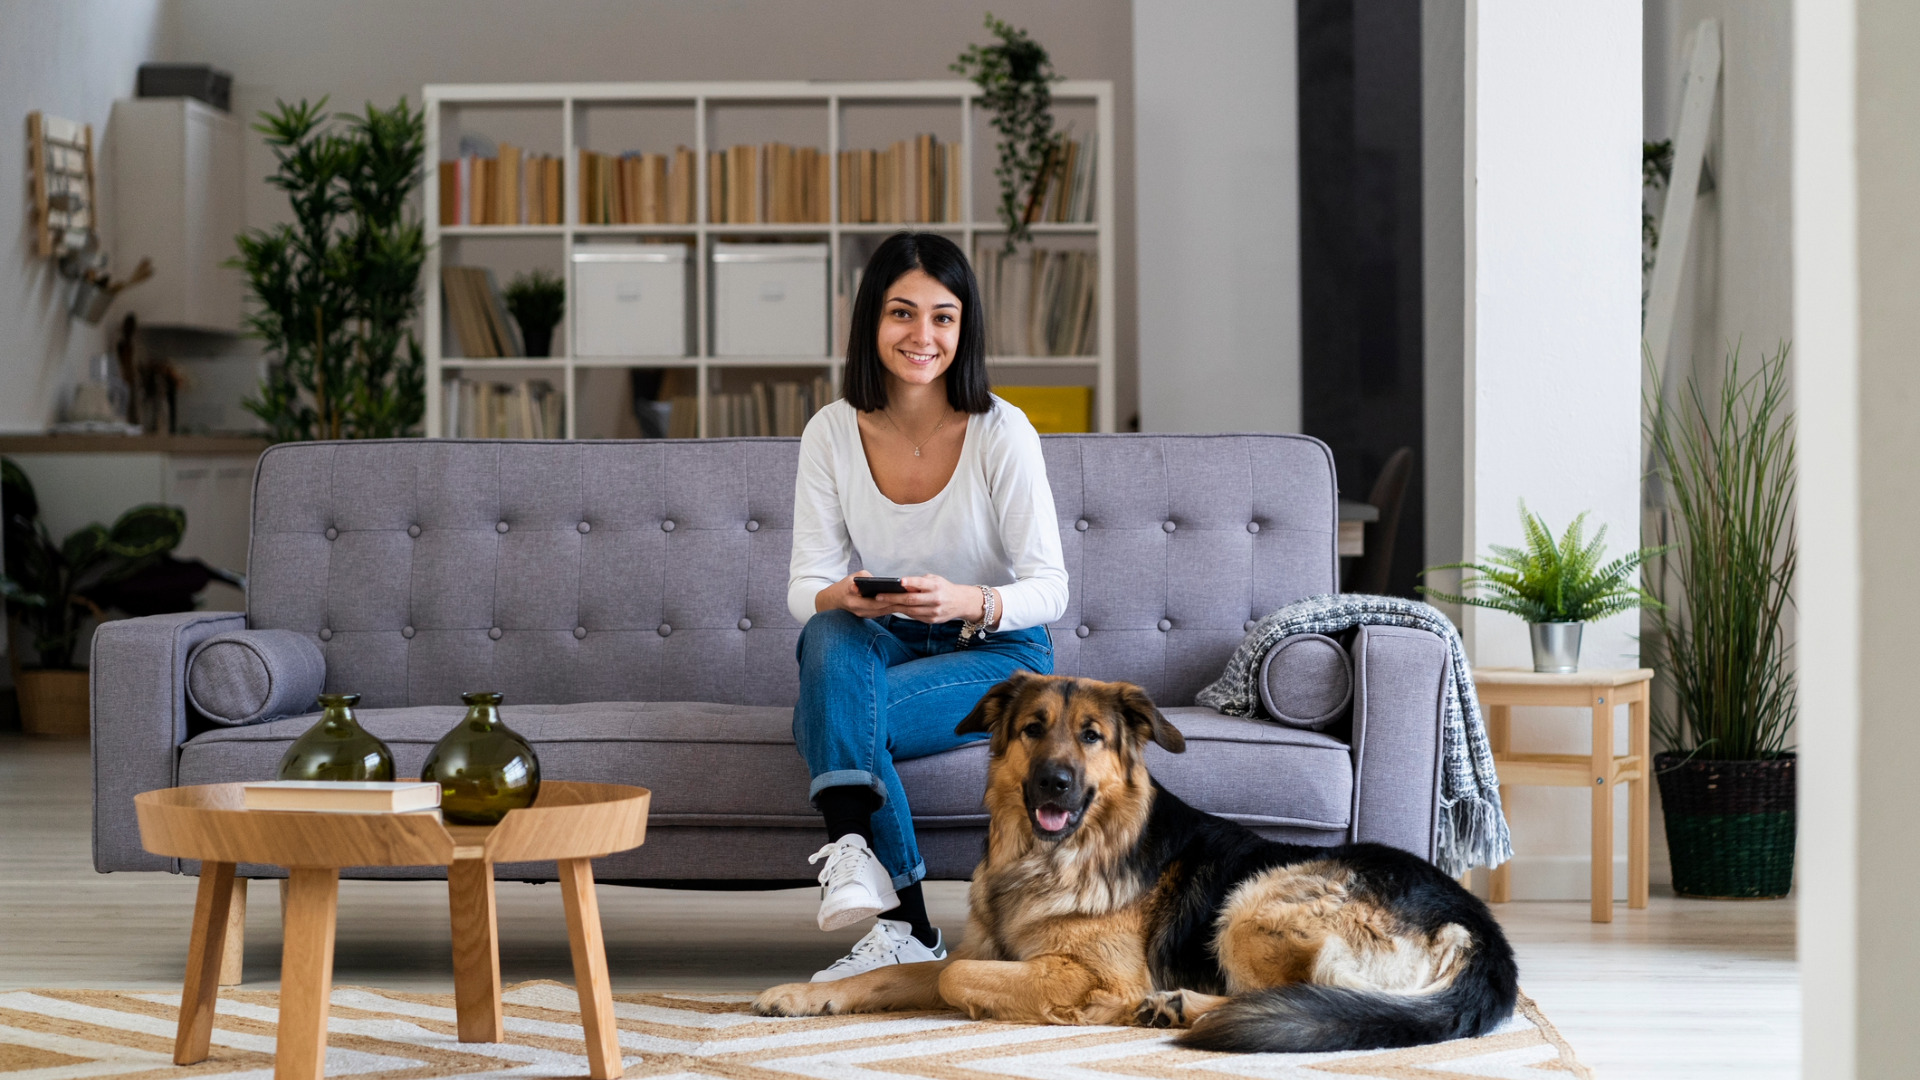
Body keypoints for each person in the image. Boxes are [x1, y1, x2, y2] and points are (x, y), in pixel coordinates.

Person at [787, 231, 1068, 981]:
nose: (923, 336)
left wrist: (967, 598)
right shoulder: (832, 432)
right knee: (827, 629)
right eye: (902, 314)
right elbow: (804, 584)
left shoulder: (1001, 431)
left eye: (944, 317)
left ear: (964, 326)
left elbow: (1051, 587)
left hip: (998, 650)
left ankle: (897, 913)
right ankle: (872, 880)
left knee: (833, 716)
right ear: (871, 323)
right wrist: (842, 593)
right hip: (890, 639)